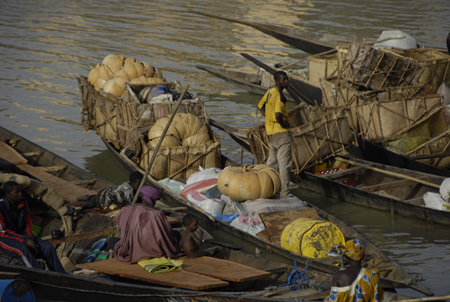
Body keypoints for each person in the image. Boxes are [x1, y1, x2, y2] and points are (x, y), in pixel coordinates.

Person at [0, 181, 65, 273]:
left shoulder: (23, 203)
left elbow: (27, 223)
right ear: (8, 194)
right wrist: (25, 240)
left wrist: (30, 238)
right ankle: (39, 277)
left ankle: (61, 276)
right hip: (3, 238)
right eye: (17, 192)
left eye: (20, 191)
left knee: (48, 248)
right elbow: (2, 231)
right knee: (22, 249)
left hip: (20, 234)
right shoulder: (0, 206)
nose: (20, 194)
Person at [113, 186, 183, 264]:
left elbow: (119, 222)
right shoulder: (158, 214)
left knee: (111, 241)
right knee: (177, 234)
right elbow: (168, 233)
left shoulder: (128, 209)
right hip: (155, 252)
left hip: (132, 251)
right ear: (153, 200)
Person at [258, 70, 293, 199]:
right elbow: (279, 114)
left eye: (287, 79)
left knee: (272, 162)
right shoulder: (279, 95)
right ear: (278, 82)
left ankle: (268, 188)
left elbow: (261, 106)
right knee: (285, 164)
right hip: (282, 133)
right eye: (284, 80)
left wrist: (269, 117)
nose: (286, 81)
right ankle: (285, 193)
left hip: (271, 133)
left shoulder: (269, 92)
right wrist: (283, 124)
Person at [77, 171, 143, 210]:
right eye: (138, 184)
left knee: (96, 197)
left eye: (141, 183)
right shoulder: (128, 192)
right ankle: (88, 204)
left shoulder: (127, 183)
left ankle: (88, 197)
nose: (141, 186)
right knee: (98, 204)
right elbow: (131, 205)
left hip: (104, 192)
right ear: (132, 183)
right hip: (105, 202)